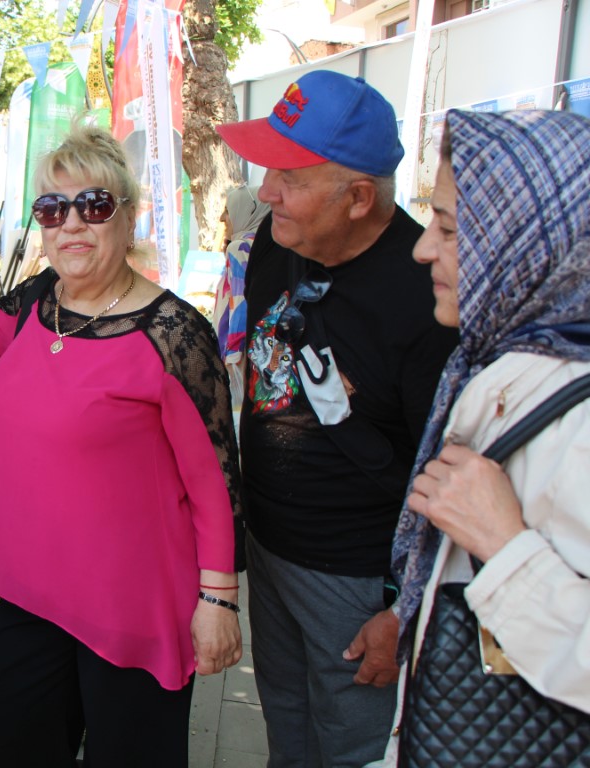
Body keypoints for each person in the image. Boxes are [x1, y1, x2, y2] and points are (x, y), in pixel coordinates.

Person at [0, 122, 244, 767]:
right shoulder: (41, 305)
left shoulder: (173, 333)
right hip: (34, 590)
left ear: (128, 219)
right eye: (52, 208)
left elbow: (215, 483)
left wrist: (218, 600)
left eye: (93, 206)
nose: (71, 224)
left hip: (131, 602)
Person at [215, 70, 458, 767]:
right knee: (285, 729)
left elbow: (446, 469)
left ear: (357, 197)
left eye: (288, 177)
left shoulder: (427, 294)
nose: (266, 193)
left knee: (353, 751)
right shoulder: (274, 244)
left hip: (358, 582)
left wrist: (400, 611)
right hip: (271, 546)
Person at [387, 109, 590, 756]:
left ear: (530, 240)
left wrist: (506, 547)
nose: (422, 247)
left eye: (448, 227)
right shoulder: (494, 358)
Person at [212, 185, 269, 408]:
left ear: (248, 210)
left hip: (240, 352)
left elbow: (240, 301)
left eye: (228, 209)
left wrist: (233, 354)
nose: (223, 217)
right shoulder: (266, 244)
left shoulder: (240, 247)